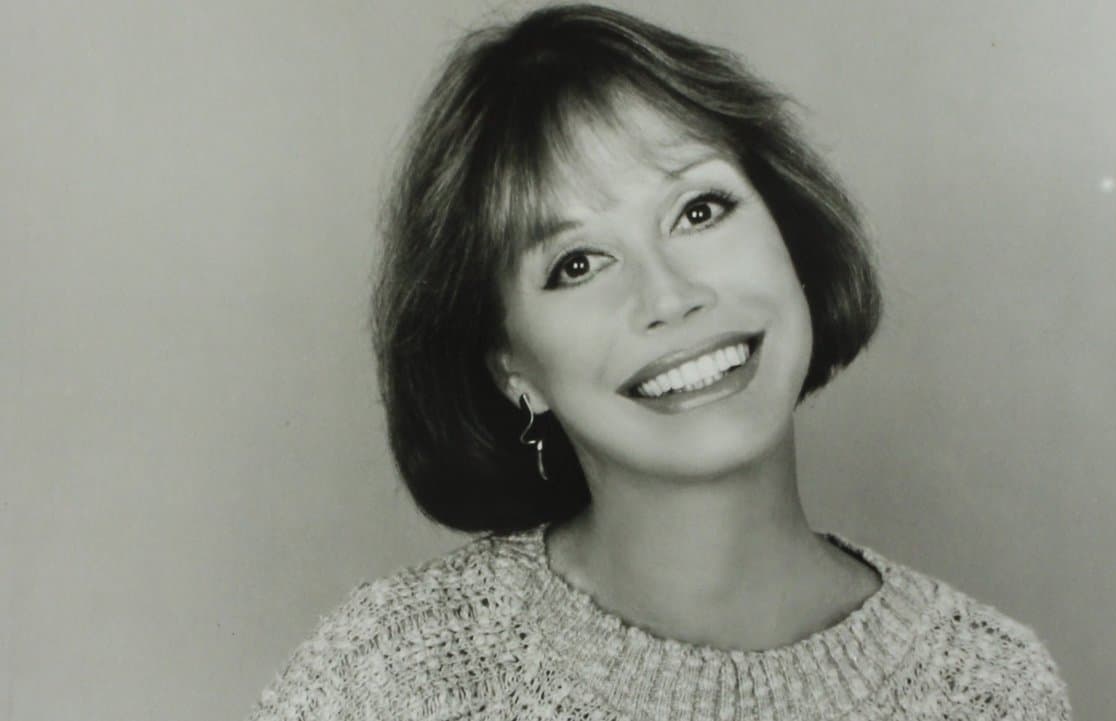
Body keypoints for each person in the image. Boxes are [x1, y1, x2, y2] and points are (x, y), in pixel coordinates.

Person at [247, 4, 1072, 719]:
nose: (671, 297)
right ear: (510, 367)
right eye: (577, 264)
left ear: (787, 229)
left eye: (699, 210)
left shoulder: (989, 688)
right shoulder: (389, 677)